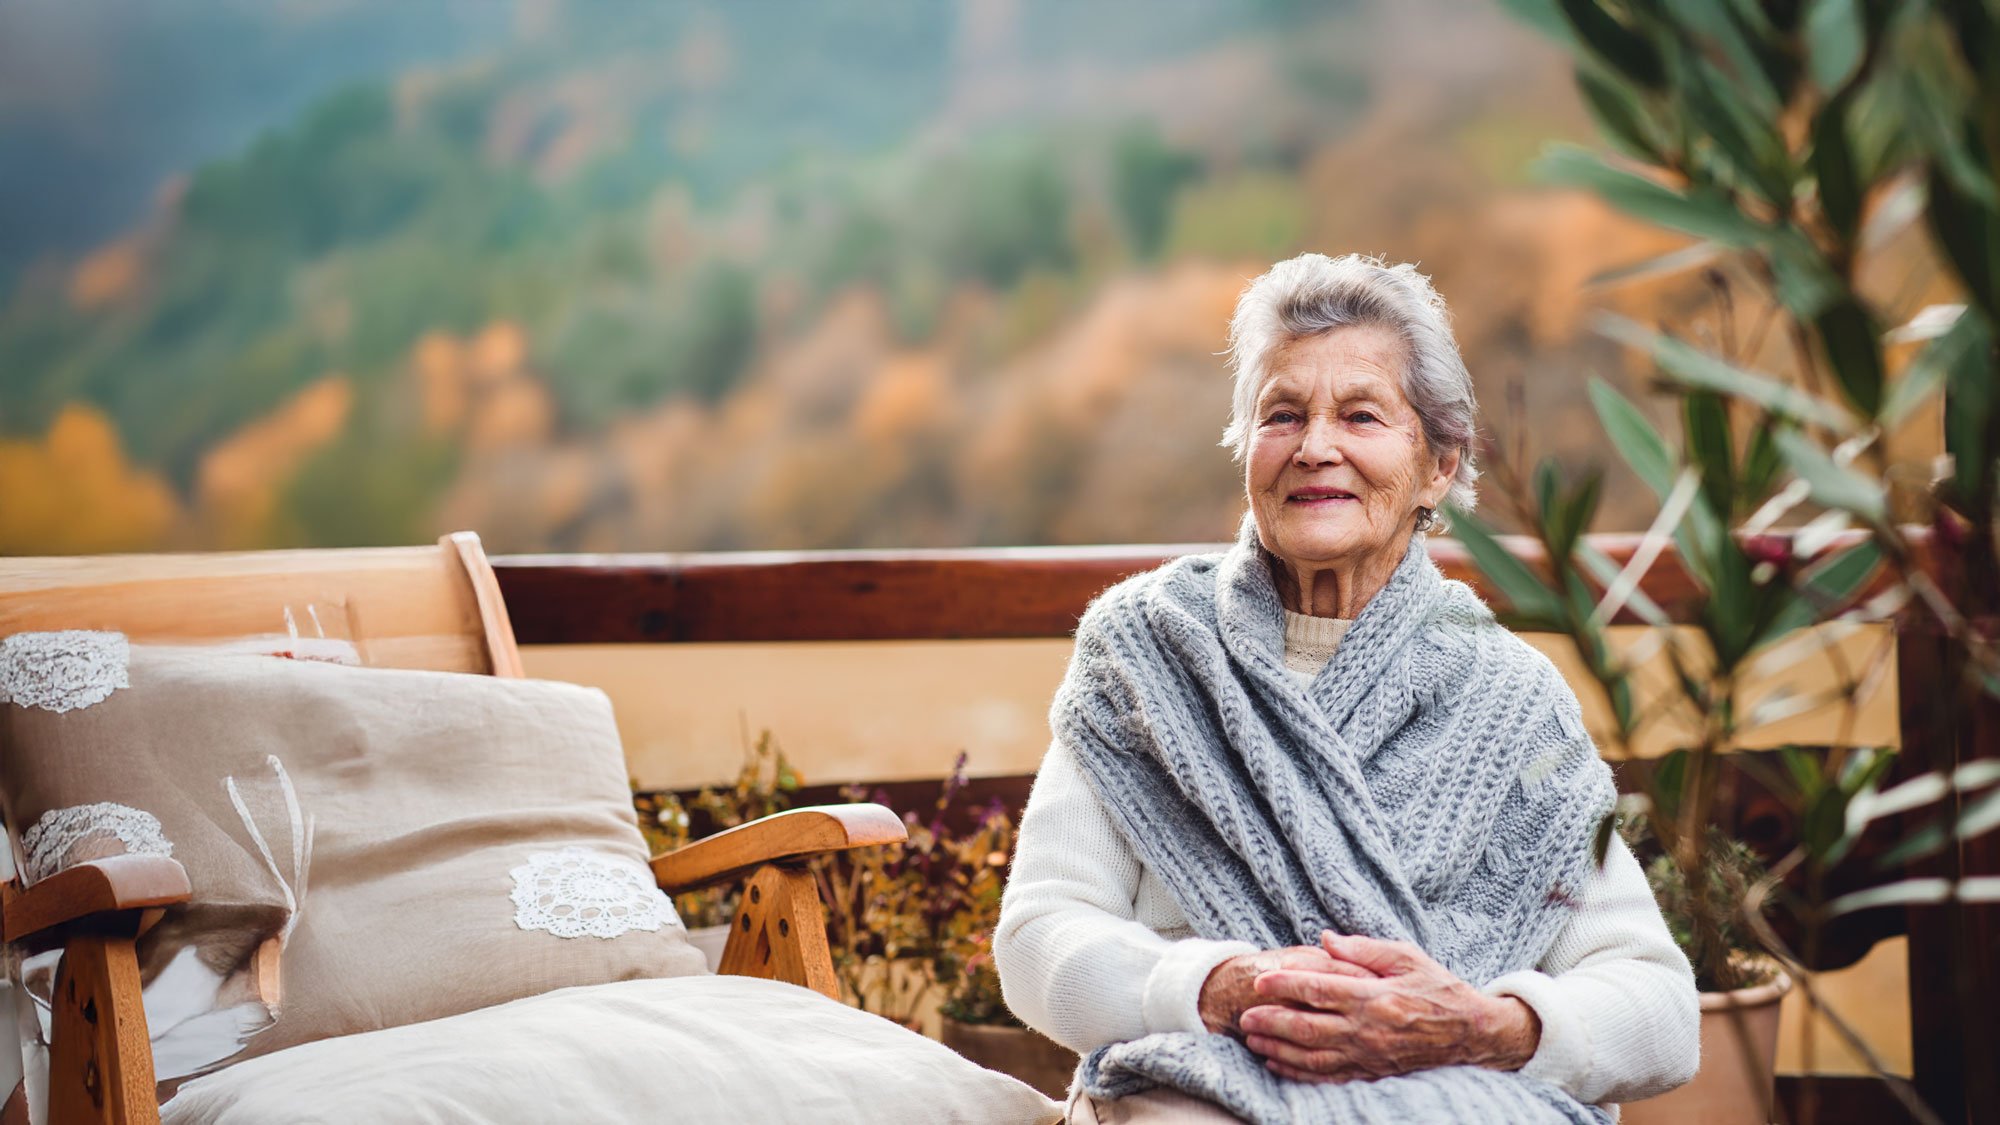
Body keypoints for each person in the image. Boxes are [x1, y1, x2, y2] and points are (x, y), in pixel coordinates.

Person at [993, 253, 1700, 1124]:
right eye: (1282, 414)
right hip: (1198, 1095)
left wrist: (1480, 1026)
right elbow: (1038, 938)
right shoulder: (1147, 651)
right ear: (1249, 451)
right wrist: (1222, 988)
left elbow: (1659, 1006)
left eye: (1361, 414)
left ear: (1438, 465)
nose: (1315, 445)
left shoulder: (1509, 699)